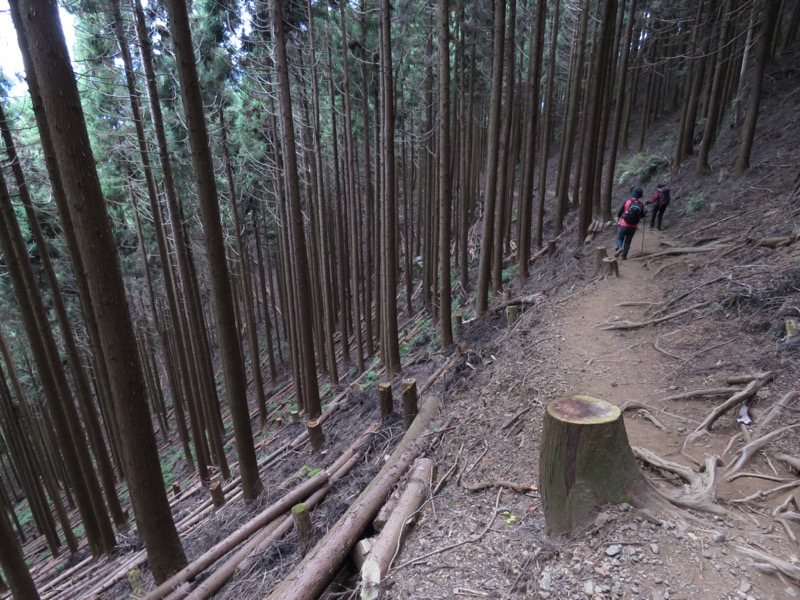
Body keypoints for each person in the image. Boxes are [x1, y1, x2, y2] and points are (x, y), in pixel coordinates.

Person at [615, 187, 645, 260]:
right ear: (640, 196)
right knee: (628, 242)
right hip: (633, 226)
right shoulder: (641, 205)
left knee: (619, 238)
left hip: (624, 224)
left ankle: (619, 247)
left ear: (633, 194)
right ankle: (624, 256)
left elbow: (620, 212)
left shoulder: (627, 202)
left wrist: (618, 217)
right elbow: (642, 215)